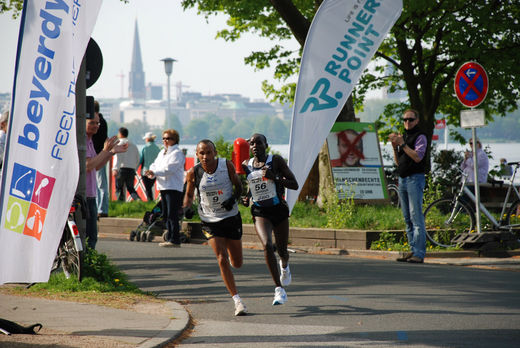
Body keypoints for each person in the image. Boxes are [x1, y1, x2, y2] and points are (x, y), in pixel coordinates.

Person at [183, 139, 247, 316]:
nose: (205, 156)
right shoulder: (193, 172)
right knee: (221, 258)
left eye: (209, 152)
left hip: (230, 217)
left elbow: (239, 186)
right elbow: (188, 195)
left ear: (215, 153)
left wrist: (233, 199)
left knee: (237, 263)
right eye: (201, 153)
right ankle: (238, 301)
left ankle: (232, 255)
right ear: (197, 155)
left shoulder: (226, 165)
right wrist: (186, 208)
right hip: (209, 220)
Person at [242, 134, 299, 305]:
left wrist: (275, 177)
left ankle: (285, 266)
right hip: (260, 211)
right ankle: (279, 290)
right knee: (267, 245)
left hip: (279, 210)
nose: (254, 146)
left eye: (258, 143)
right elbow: (252, 188)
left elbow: (294, 184)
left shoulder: (276, 161)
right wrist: (246, 198)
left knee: (282, 251)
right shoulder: (246, 165)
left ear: (266, 145)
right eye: (251, 143)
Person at [389, 109, 428, 264]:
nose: (407, 122)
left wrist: (403, 144)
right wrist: (394, 147)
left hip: (415, 179)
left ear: (416, 120)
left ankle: (419, 253)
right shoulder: (403, 137)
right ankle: (413, 250)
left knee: (415, 215)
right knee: (407, 217)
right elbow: (399, 162)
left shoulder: (421, 136)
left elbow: (418, 157)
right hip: (403, 179)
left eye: (410, 120)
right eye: (404, 120)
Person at [86, 114, 128, 249]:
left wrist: (111, 152)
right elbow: (88, 165)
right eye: (92, 122)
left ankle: (86, 264)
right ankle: (84, 264)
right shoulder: (82, 141)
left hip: (91, 194)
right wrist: (105, 150)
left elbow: (96, 167)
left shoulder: (90, 141)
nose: (96, 126)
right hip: (83, 194)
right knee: (89, 236)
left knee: (92, 236)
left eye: (97, 123)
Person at [145, 129, 185, 247]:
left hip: (173, 187)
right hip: (163, 186)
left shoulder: (177, 153)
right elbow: (154, 164)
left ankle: (175, 239)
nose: (165, 141)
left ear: (175, 140)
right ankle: (170, 237)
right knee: (166, 214)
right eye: (164, 138)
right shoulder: (162, 152)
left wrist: (155, 172)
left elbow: (169, 169)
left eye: (168, 138)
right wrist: (151, 171)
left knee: (172, 214)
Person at [112, 127, 140, 201]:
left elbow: (117, 158)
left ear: (120, 134)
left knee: (119, 188)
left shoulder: (119, 144)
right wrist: (134, 168)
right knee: (131, 188)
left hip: (121, 169)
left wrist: (115, 169)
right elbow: (137, 159)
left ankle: (119, 202)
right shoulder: (133, 145)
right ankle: (138, 200)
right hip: (131, 169)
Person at [91, 101, 109, 217]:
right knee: (99, 184)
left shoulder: (99, 122)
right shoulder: (102, 121)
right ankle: (100, 208)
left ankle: (101, 209)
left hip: (97, 155)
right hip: (99, 154)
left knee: (100, 184)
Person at [139, 132, 161, 201]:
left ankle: (150, 200)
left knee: (147, 188)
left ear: (147, 139)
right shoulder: (158, 148)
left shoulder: (144, 148)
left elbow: (140, 159)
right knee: (150, 186)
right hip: (154, 171)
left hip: (145, 170)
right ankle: (151, 200)